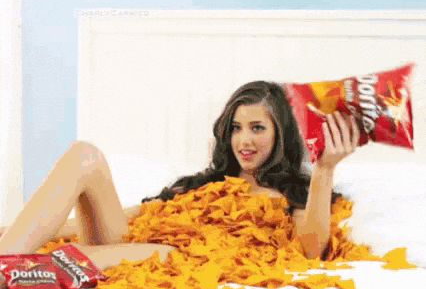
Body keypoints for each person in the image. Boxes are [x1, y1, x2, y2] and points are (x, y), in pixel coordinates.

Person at [0, 81, 359, 271]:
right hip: (133, 242)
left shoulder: (297, 193)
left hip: (179, 261)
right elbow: (136, 216)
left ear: (282, 134)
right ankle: (7, 257)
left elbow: (310, 250)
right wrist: (14, 229)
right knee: (84, 154)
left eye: (257, 128)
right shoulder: (203, 185)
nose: (243, 140)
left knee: (159, 253)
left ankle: (19, 273)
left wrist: (325, 169)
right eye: (235, 128)